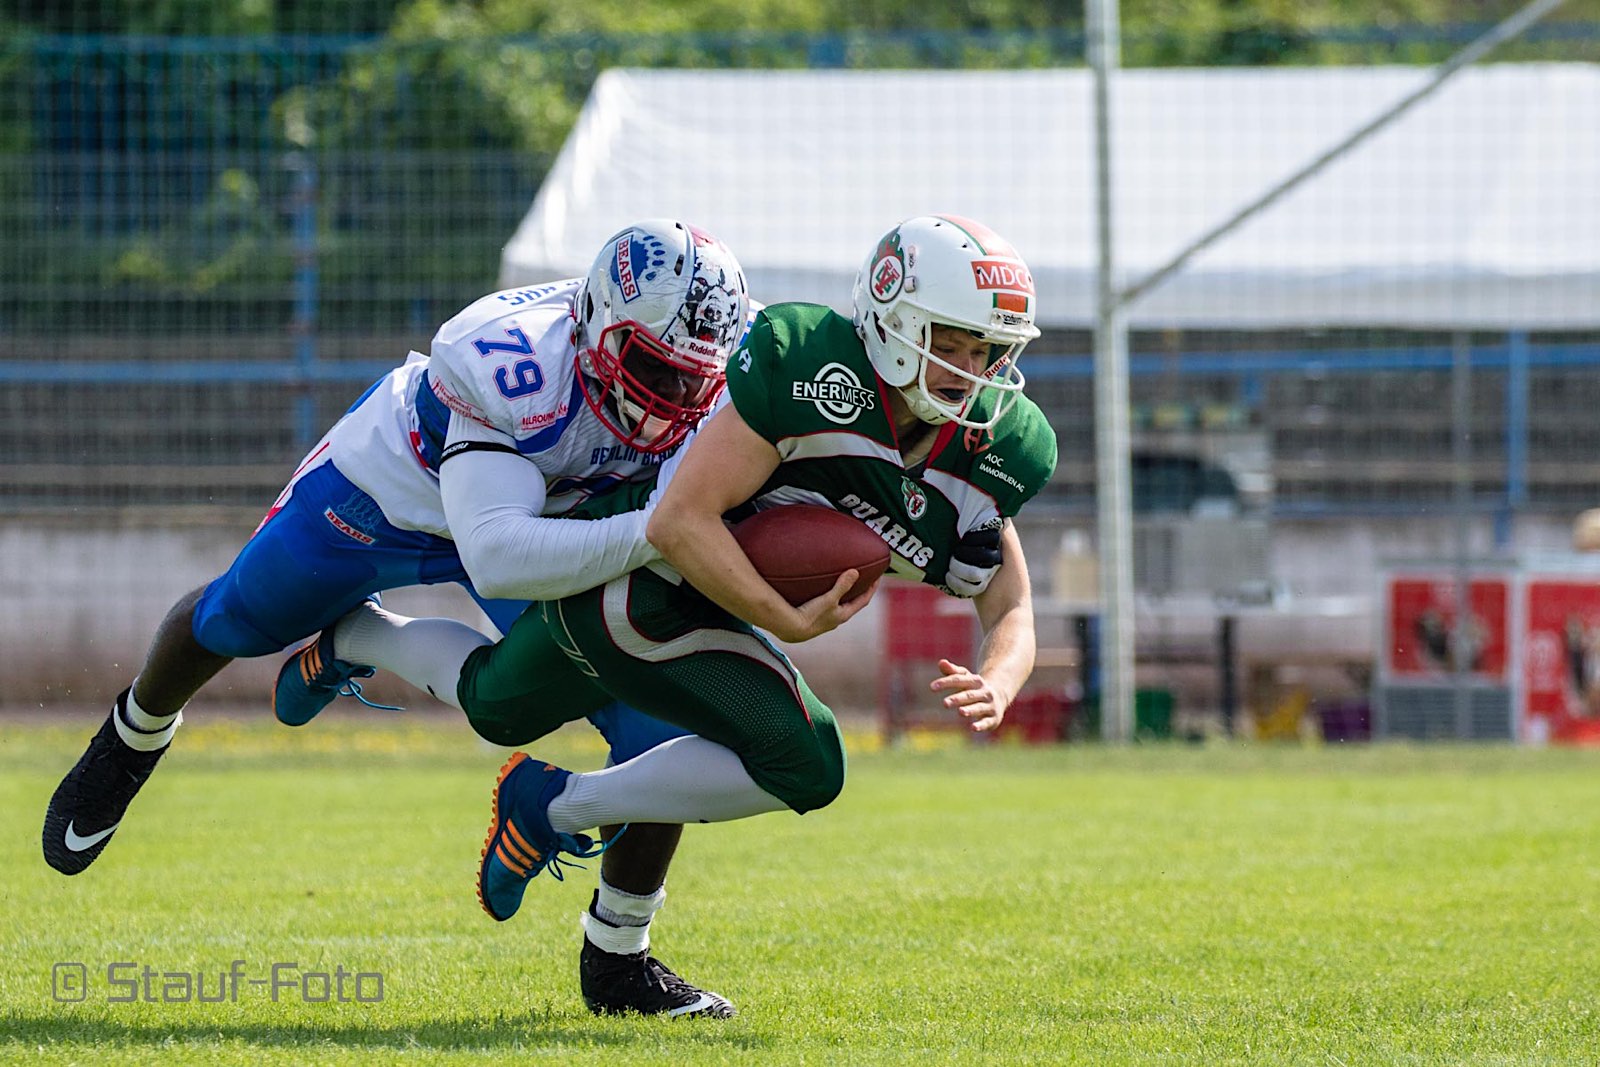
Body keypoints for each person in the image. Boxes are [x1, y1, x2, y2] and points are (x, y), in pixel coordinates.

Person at [325, 215, 1058, 995]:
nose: (969, 369)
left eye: (987, 349)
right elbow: (679, 517)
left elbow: (1007, 597)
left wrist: (1002, 678)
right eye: (950, 341)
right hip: (641, 588)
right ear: (894, 313)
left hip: (654, 605)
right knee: (808, 763)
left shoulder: (992, 453)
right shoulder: (806, 366)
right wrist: (781, 616)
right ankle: (555, 810)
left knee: (494, 703)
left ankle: (356, 632)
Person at [42, 219, 752, 1019]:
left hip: (559, 517)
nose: (674, 401)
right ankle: (134, 734)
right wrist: (662, 529)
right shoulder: (507, 360)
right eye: (654, 369)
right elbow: (498, 553)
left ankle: (620, 959)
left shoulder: (731, 364)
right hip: (391, 493)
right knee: (235, 617)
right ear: (595, 327)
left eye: (695, 380)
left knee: (660, 717)